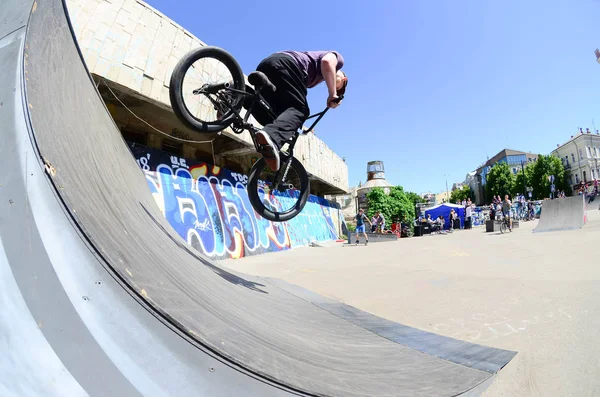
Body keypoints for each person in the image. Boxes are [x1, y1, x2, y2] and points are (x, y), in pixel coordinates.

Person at [249, 50, 347, 171]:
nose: (336, 88)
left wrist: (299, 124)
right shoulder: (338, 60)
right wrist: (333, 94)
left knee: (274, 116)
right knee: (301, 110)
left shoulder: (314, 79)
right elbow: (327, 62)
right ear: (343, 78)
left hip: (267, 66)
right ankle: (272, 136)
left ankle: (240, 96)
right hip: (286, 64)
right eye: (339, 87)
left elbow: (290, 103)